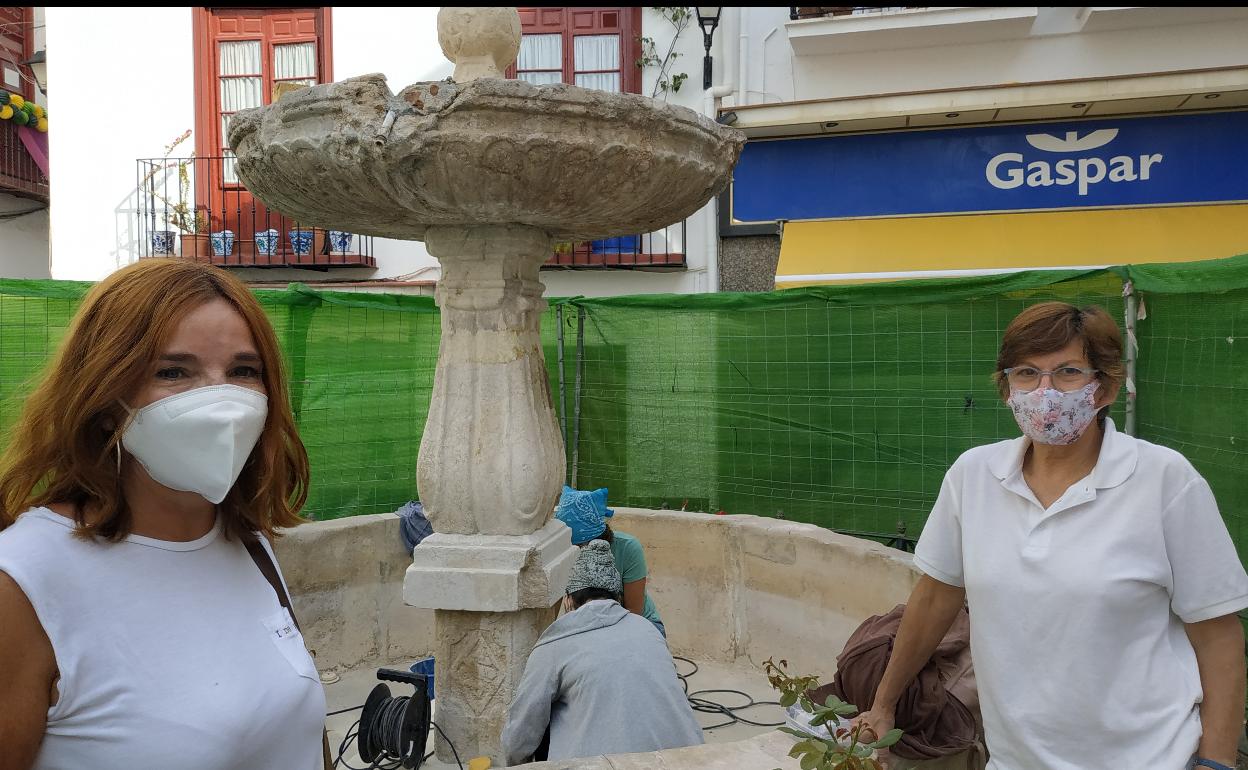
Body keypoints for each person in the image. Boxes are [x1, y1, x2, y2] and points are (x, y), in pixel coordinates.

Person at [853, 302, 1248, 770]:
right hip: (1014, 760)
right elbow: (936, 597)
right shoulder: (973, 476)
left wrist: (1216, 761)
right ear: (1006, 387)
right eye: (1026, 373)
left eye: (1067, 372)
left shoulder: (1164, 481)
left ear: (1104, 387)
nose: (1045, 392)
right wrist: (883, 703)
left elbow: (1218, 635)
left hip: (1151, 758)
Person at [0, 260, 326, 770]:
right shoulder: (23, 580)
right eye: (173, 372)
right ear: (106, 398)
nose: (221, 400)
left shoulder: (245, 544)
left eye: (244, 371)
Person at [500, 540, 703, 765]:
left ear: (568, 600)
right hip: (687, 762)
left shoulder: (555, 645)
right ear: (617, 598)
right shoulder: (648, 629)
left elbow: (518, 739)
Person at [555, 485, 666, 637]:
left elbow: (635, 613)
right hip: (586, 627)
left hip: (637, 625)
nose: (577, 552)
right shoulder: (562, 553)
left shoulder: (628, 548)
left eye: (580, 546)